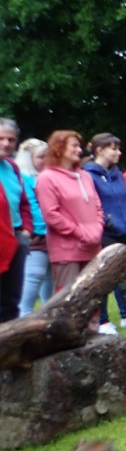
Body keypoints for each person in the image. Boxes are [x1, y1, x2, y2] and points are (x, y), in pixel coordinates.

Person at [34, 131, 104, 299]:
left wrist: (97, 229)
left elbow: (97, 206)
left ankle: (93, 321)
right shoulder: (47, 178)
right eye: (74, 146)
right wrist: (80, 233)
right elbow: (51, 215)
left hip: (93, 246)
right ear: (59, 148)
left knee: (92, 297)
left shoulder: (85, 176)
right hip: (67, 251)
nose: (79, 150)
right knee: (68, 300)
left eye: (79, 146)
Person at [83, 133, 126, 333]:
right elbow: (93, 206)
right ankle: (103, 321)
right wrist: (109, 223)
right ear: (100, 150)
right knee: (103, 277)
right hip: (107, 234)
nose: (119, 152)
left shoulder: (117, 173)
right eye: (114, 149)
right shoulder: (88, 175)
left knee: (122, 276)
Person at [0, 118, 33, 321]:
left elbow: (24, 202)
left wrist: (26, 231)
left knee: (11, 299)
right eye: (1, 138)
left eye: (11, 139)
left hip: (16, 237)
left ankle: (10, 336)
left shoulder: (12, 167)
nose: (6, 143)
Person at [16, 139, 54, 315]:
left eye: (47, 156)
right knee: (34, 276)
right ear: (28, 158)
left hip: (52, 235)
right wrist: (52, 226)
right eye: (40, 157)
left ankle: (48, 318)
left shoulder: (45, 177)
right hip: (36, 237)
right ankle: (23, 318)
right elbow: (33, 209)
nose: (45, 160)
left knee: (50, 279)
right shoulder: (24, 178)